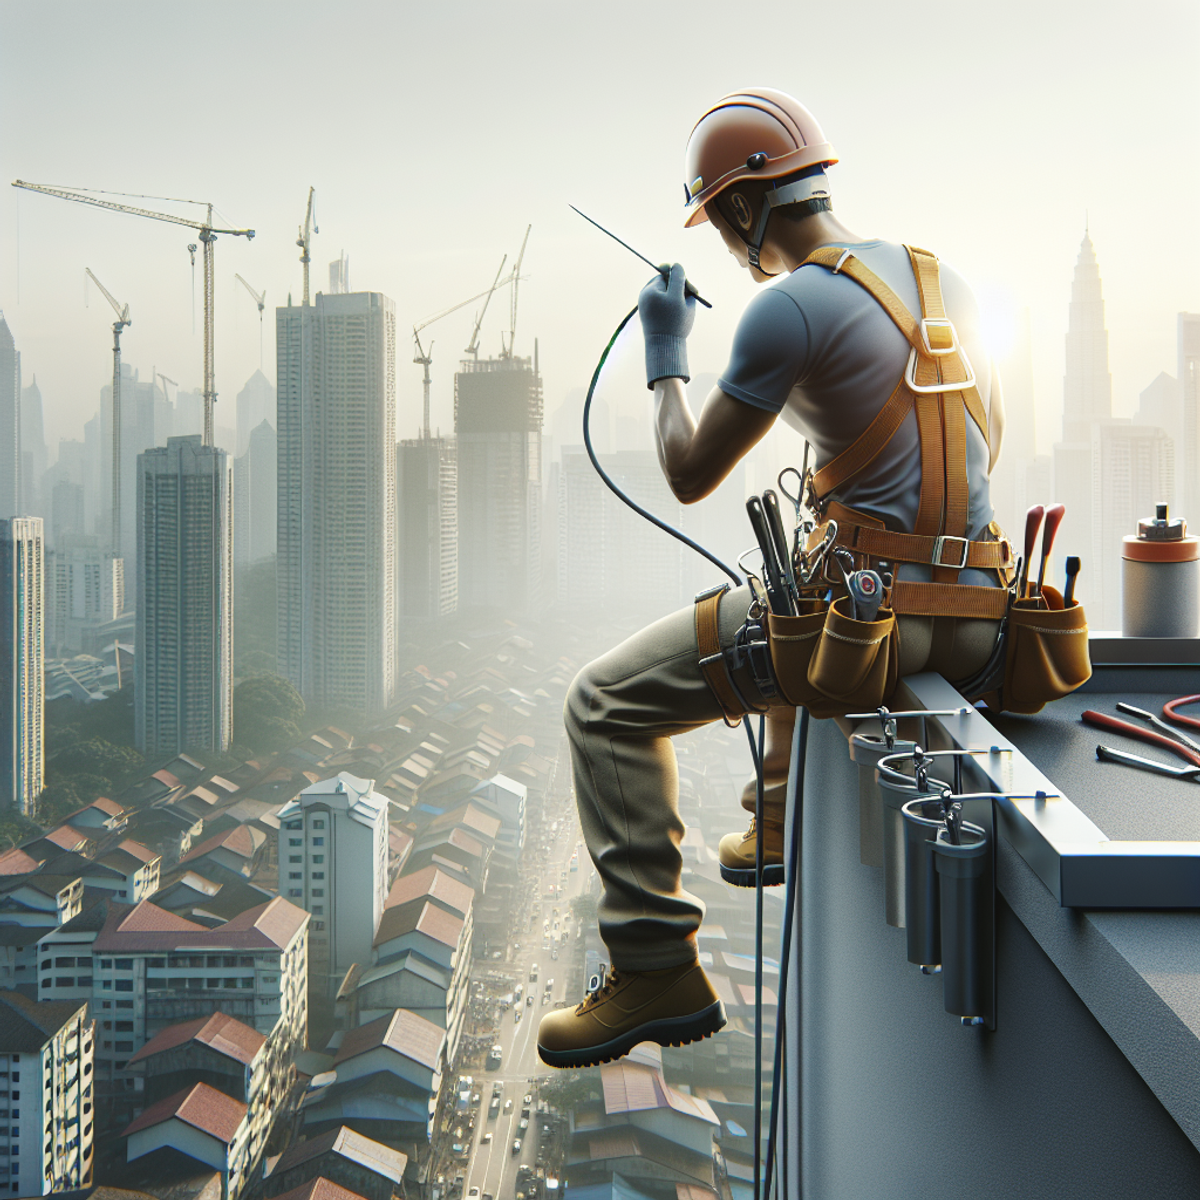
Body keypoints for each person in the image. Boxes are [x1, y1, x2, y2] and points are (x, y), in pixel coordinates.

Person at [536, 87, 1009, 1071]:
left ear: (744, 212)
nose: (725, 244)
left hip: (868, 633)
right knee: (798, 573)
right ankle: (777, 820)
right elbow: (982, 440)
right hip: (982, 618)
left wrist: (665, 355)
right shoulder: (945, 280)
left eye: (720, 224)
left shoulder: (784, 308)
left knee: (604, 703)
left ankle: (655, 964)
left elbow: (688, 472)